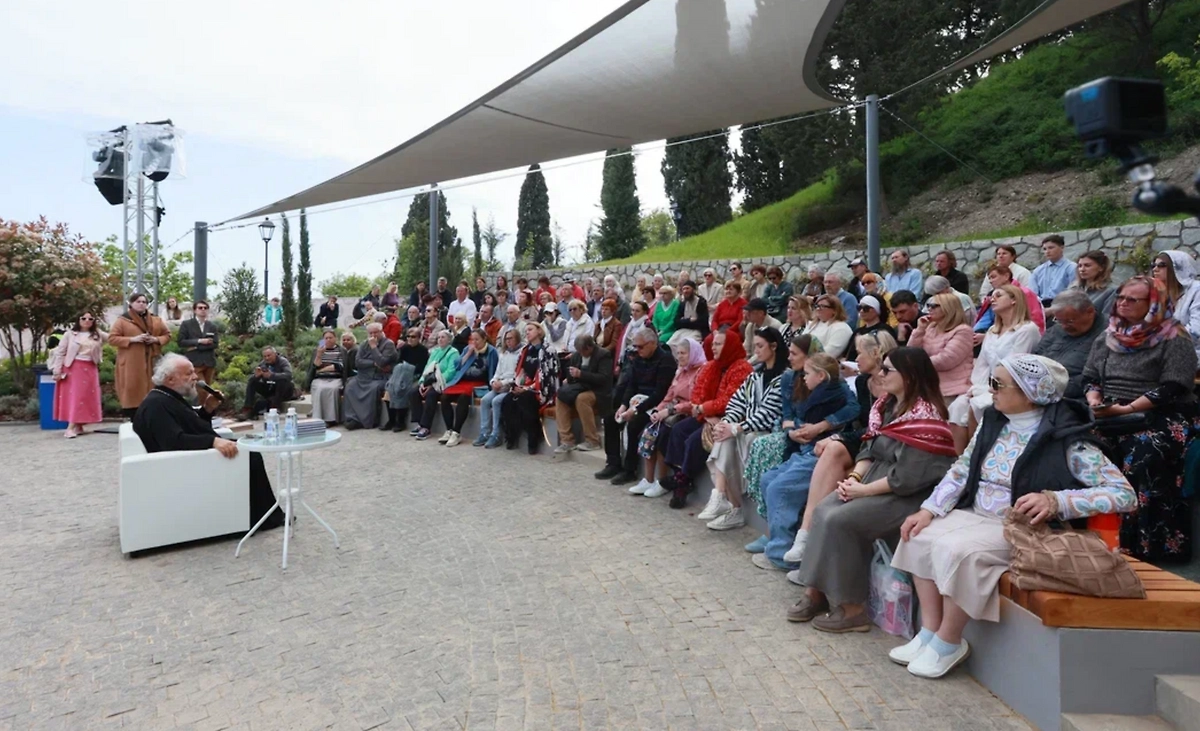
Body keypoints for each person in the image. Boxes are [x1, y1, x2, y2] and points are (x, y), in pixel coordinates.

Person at [891, 355, 1135, 678]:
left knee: (960, 552)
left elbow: (1123, 493)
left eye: (997, 384)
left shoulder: (1066, 440)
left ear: (1029, 393)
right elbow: (962, 469)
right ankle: (930, 631)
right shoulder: (994, 423)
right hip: (976, 513)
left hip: (1022, 528)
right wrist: (929, 509)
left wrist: (1057, 501)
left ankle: (950, 641)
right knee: (917, 534)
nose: (990, 390)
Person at [787, 347, 957, 633]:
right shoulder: (886, 408)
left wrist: (861, 492)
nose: (880, 374)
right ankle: (815, 592)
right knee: (824, 509)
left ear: (910, 376)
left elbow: (907, 477)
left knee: (841, 519)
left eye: (888, 369)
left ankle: (853, 608)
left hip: (906, 495)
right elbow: (869, 448)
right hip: (875, 482)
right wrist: (854, 478)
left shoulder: (927, 417)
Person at [1083, 276, 1198, 562]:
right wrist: (1095, 401)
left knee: (1145, 453)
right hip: (1112, 411)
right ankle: (1095, 537)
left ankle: (1149, 546)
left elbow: (1175, 385)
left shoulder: (1175, 336)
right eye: (1120, 297)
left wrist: (1130, 408)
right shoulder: (1109, 334)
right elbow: (1090, 377)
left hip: (1160, 411)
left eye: (1132, 299)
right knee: (1082, 445)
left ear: (1154, 303)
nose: (1122, 303)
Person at [780, 332, 898, 571]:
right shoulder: (865, 383)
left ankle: (808, 549)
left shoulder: (894, 389)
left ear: (876, 353)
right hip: (866, 440)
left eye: (859, 352)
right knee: (831, 448)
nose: (854, 358)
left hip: (883, 445)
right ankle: (804, 535)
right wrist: (836, 434)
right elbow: (864, 426)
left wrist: (831, 432)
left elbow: (879, 429)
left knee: (831, 448)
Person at [133, 354, 284, 532]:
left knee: (248, 447)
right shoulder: (157, 405)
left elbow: (189, 425)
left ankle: (264, 513)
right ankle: (262, 518)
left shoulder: (167, 397)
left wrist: (207, 410)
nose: (195, 377)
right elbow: (175, 441)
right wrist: (212, 441)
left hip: (191, 457)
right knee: (250, 456)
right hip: (181, 464)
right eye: (188, 374)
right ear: (171, 379)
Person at [754, 353, 858, 569]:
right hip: (803, 449)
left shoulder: (838, 391)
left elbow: (853, 409)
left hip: (818, 454)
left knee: (779, 488)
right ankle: (779, 538)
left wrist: (823, 425)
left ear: (821, 376)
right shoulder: (813, 392)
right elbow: (793, 417)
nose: (803, 378)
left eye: (807, 373)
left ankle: (780, 554)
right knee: (767, 479)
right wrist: (792, 431)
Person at [701, 327, 788, 531]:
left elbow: (768, 413)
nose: (755, 351)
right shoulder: (755, 375)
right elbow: (736, 403)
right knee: (725, 438)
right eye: (754, 346)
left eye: (760, 346)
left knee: (730, 439)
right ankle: (722, 498)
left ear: (774, 347)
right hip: (746, 428)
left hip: (770, 431)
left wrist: (736, 427)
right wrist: (727, 423)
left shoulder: (785, 377)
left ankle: (729, 503)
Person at [660, 330, 753, 508]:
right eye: (713, 343)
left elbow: (730, 400)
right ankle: (680, 475)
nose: (713, 347)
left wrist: (705, 409)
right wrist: (704, 411)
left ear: (730, 345)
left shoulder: (742, 368)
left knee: (695, 441)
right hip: (707, 415)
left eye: (718, 344)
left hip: (728, 417)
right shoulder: (711, 366)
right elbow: (697, 394)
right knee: (678, 430)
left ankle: (682, 481)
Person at [952, 285, 1041, 443]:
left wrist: (987, 389)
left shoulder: (1027, 330)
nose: (992, 299)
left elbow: (1014, 366)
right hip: (986, 385)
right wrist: (976, 386)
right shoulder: (993, 330)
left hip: (1010, 387)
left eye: (998, 295)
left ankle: (977, 455)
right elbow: (983, 364)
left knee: (977, 405)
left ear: (1014, 300)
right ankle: (962, 459)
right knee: (957, 406)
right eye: (992, 296)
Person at [595, 328, 676, 484]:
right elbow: (631, 385)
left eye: (641, 346)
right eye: (636, 347)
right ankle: (613, 463)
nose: (637, 350)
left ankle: (630, 469)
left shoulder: (666, 361)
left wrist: (636, 410)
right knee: (610, 420)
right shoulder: (638, 359)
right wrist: (624, 406)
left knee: (634, 424)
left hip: (654, 405)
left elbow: (660, 393)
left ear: (652, 344)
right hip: (636, 401)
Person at [631, 339, 708, 497]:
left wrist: (670, 410)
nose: (680, 357)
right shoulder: (681, 371)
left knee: (663, 435)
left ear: (692, 353)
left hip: (687, 412)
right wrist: (658, 410)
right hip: (672, 410)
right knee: (649, 430)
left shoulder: (702, 371)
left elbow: (695, 401)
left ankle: (662, 480)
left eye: (683, 353)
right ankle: (648, 479)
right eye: (678, 353)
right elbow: (669, 395)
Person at [910, 293, 974, 453]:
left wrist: (917, 363)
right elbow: (911, 351)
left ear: (949, 308)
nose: (929, 309)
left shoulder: (963, 331)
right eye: (928, 305)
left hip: (951, 391)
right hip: (928, 387)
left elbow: (947, 360)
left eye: (934, 306)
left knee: (941, 435)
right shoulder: (930, 327)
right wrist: (919, 330)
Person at [1032, 290, 1105, 398]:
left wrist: (1050, 387)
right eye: (1059, 320)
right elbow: (1035, 356)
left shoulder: (1106, 335)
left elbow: (1093, 378)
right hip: (1037, 387)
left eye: (1070, 321)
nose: (1064, 326)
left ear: (1090, 312)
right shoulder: (1056, 329)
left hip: (1071, 397)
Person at [109, 292, 171, 418]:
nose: (142, 304)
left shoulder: (156, 320)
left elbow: (167, 335)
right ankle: (134, 416)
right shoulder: (122, 320)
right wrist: (133, 339)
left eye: (144, 302)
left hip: (151, 360)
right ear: (131, 304)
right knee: (133, 389)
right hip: (131, 362)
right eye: (138, 301)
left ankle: (153, 415)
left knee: (153, 387)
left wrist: (156, 340)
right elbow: (112, 339)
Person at [500, 322, 559, 453]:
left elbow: (547, 375)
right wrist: (517, 386)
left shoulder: (548, 350)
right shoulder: (525, 350)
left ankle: (534, 439)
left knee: (525, 400)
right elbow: (520, 371)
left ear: (539, 331)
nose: (527, 332)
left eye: (530, 329)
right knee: (507, 401)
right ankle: (511, 436)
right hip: (525, 385)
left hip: (542, 388)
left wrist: (528, 388)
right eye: (526, 331)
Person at [554, 334, 614, 455]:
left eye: (583, 351)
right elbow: (571, 376)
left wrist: (581, 374)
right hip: (580, 387)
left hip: (599, 390)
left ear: (589, 347)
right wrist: (570, 376)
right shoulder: (577, 356)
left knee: (582, 399)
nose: (581, 354)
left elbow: (604, 378)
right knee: (561, 398)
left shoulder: (603, 355)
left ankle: (592, 440)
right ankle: (567, 440)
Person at [50, 311, 107, 438]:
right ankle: (70, 428)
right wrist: (57, 370)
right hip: (74, 368)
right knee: (76, 397)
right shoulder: (69, 334)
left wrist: (132, 337)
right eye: (84, 318)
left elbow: (114, 338)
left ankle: (79, 425)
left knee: (86, 397)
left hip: (91, 367)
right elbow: (61, 352)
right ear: (78, 319)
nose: (87, 320)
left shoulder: (97, 333)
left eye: (90, 318)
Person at [437, 329, 498, 447]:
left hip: (480, 382)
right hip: (463, 380)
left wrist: (477, 355)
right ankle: (448, 429)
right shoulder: (467, 349)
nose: (474, 342)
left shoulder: (491, 351)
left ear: (484, 339)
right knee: (445, 396)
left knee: (464, 397)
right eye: (472, 339)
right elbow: (457, 365)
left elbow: (490, 369)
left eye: (477, 339)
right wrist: (468, 355)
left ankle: (456, 431)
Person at [341, 323, 397, 429]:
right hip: (363, 376)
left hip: (380, 377)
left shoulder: (388, 344)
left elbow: (382, 362)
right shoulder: (363, 344)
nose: (373, 335)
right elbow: (357, 362)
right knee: (350, 386)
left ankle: (367, 421)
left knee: (372, 389)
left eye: (375, 332)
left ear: (381, 332)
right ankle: (352, 418)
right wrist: (373, 363)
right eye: (370, 333)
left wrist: (374, 347)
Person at [407, 329, 460, 440]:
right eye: (439, 337)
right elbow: (427, 368)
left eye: (443, 337)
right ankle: (419, 423)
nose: (440, 339)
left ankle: (426, 427)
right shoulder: (435, 352)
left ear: (449, 340)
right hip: (429, 380)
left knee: (431, 395)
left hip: (442, 382)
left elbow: (451, 372)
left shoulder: (453, 352)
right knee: (413, 392)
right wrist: (422, 382)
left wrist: (434, 383)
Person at [474, 329, 523, 448]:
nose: (508, 341)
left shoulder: (520, 354)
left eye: (511, 338)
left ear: (517, 339)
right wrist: (494, 382)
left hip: (511, 386)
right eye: (506, 339)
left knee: (496, 401)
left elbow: (517, 376)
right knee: (485, 400)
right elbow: (497, 372)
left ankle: (496, 434)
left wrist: (503, 383)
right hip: (499, 385)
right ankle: (484, 432)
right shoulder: (503, 354)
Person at [972, 265, 1046, 342]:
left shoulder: (1024, 293)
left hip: (1020, 336)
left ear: (1006, 276)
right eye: (989, 278)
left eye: (993, 277)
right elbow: (984, 321)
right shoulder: (991, 296)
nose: (990, 281)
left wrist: (987, 337)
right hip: (995, 333)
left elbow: (1035, 318)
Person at [1152, 250, 1200, 361]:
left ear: (1177, 267)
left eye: (1162, 265)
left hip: (1193, 355)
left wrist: (1159, 337)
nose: (1155, 269)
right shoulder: (1159, 293)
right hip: (1163, 354)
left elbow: (1196, 331)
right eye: (1153, 265)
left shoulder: (1196, 290)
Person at [383, 328, 426, 432]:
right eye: (408, 337)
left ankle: (400, 421)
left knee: (403, 390)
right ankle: (391, 420)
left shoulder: (423, 350)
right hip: (401, 374)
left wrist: (407, 369)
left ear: (419, 338)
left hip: (414, 376)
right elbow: (398, 362)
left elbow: (421, 367)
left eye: (413, 337)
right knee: (390, 390)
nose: (410, 339)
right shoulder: (404, 348)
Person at [308, 330, 347, 425]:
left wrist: (322, 369)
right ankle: (318, 418)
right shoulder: (318, 350)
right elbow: (315, 367)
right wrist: (319, 355)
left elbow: (339, 366)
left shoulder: (341, 350)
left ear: (335, 339)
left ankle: (331, 419)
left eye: (331, 338)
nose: (328, 340)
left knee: (332, 389)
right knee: (320, 388)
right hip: (320, 379)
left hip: (335, 378)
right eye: (326, 338)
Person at [176, 300, 219, 385]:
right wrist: (199, 341)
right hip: (194, 362)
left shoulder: (212, 326)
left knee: (208, 389)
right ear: (195, 310)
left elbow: (215, 343)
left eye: (205, 308)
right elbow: (181, 342)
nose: (203, 310)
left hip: (209, 362)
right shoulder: (187, 324)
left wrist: (196, 347)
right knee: (201, 389)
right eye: (200, 308)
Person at [843, 295, 895, 361]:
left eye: (866, 308)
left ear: (876, 310)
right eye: (859, 308)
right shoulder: (857, 332)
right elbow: (847, 355)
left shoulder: (885, 330)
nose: (861, 311)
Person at [1030, 235, 1076, 306]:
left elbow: (1074, 292)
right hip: (1041, 305)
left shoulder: (1071, 267)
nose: (1047, 251)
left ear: (1062, 248)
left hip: (1064, 305)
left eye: (1051, 248)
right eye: (1045, 249)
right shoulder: (1038, 270)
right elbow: (1033, 293)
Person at [804, 294, 854, 359]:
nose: (818, 309)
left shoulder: (841, 328)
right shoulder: (812, 324)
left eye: (822, 306)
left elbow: (828, 355)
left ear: (834, 310)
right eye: (817, 306)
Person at [1069, 250, 1117, 316]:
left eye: (1087, 265)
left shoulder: (1110, 291)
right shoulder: (1074, 287)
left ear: (1101, 268)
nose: (1082, 269)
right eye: (1080, 266)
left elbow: (1106, 318)